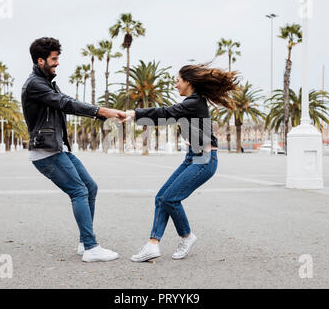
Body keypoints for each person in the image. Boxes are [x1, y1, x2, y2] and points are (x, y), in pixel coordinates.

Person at [21, 37, 126, 262]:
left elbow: (65, 100)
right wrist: (102, 111)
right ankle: (90, 247)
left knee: (90, 187)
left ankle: (84, 243)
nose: (57, 62)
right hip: (45, 152)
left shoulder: (47, 82)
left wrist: (101, 111)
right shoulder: (35, 85)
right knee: (79, 191)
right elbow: (66, 104)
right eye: (54, 59)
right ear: (41, 60)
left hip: (57, 149)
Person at [126, 64, 239, 262]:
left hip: (204, 161)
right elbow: (167, 117)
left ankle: (187, 237)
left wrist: (135, 114)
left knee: (170, 198)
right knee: (162, 197)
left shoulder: (194, 102)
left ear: (188, 81)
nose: (175, 84)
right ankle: (152, 244)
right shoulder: (192, 103)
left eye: (178, 80)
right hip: (192, 158)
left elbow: (166, 112)